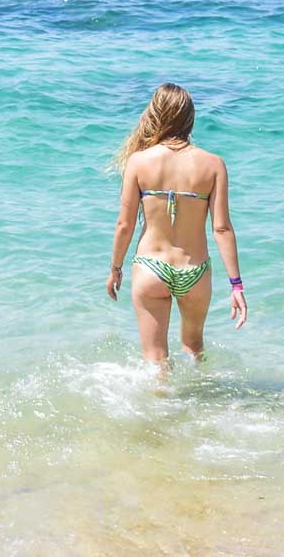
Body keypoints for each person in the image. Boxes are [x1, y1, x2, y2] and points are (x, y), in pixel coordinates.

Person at [106, 82, 247, 366]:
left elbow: (125, 224)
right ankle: (202, 406)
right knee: (194, 349)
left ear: (156, 114)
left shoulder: (138, 162)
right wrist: (236, 285)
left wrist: (115, 268)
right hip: (194, 271)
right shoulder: (214, 164)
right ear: (189, 118)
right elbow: (222, 228)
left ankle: (163, 408)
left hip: (150, 268)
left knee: (155, 359)